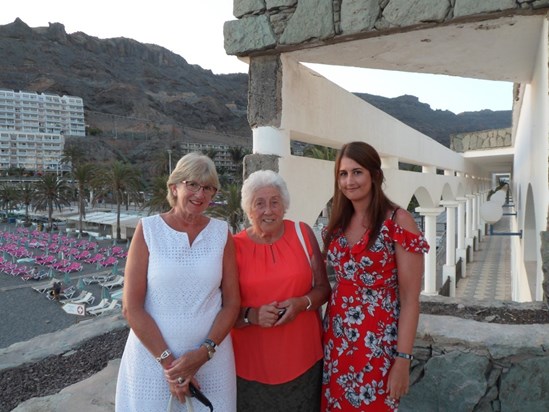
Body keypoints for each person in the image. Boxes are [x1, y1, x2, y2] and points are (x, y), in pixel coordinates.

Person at [115, 152, 240, 411]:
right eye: (192, 184)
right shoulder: (148, 229)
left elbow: (231, 303)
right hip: (152, 362)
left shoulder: (222, 233)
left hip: (212, 361)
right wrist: (171, 366)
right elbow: (131, 307)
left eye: (208, 188)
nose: (200, 193)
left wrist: (204, 353)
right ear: (174, 186)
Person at [321, 141, 430, 411]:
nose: (349, 181)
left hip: (378, 345)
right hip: (336, 342)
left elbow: (410, 299)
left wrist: (403, 359)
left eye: (357, 172)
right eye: (343, 174)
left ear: (375, 175)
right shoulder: (337, 222)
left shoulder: (398, 221)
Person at [231, 169, 331, 411]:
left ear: (284, 205)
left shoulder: (303, 233)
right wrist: (251, 315)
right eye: (260, 203)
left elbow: (323, 289)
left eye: (275, 202)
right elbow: (222, 308)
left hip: (304, 361)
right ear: (248, 208)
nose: (268, 210)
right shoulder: (233, 247)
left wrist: (301, 304)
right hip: (250, 367)